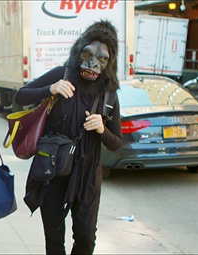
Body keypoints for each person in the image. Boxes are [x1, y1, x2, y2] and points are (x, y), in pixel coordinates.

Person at [16, 20, 123, 254]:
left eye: (102, 58)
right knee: (54, 240)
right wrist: (50, 89)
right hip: (53, 170)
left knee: (85, 240)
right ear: (79, 52)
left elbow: (117, 143)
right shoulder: (61, 75)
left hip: (87, 177)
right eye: (88, 53)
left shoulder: (109, 93)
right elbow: (20, 97)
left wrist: (102, 129)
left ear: (109, 63)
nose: (93, 62)